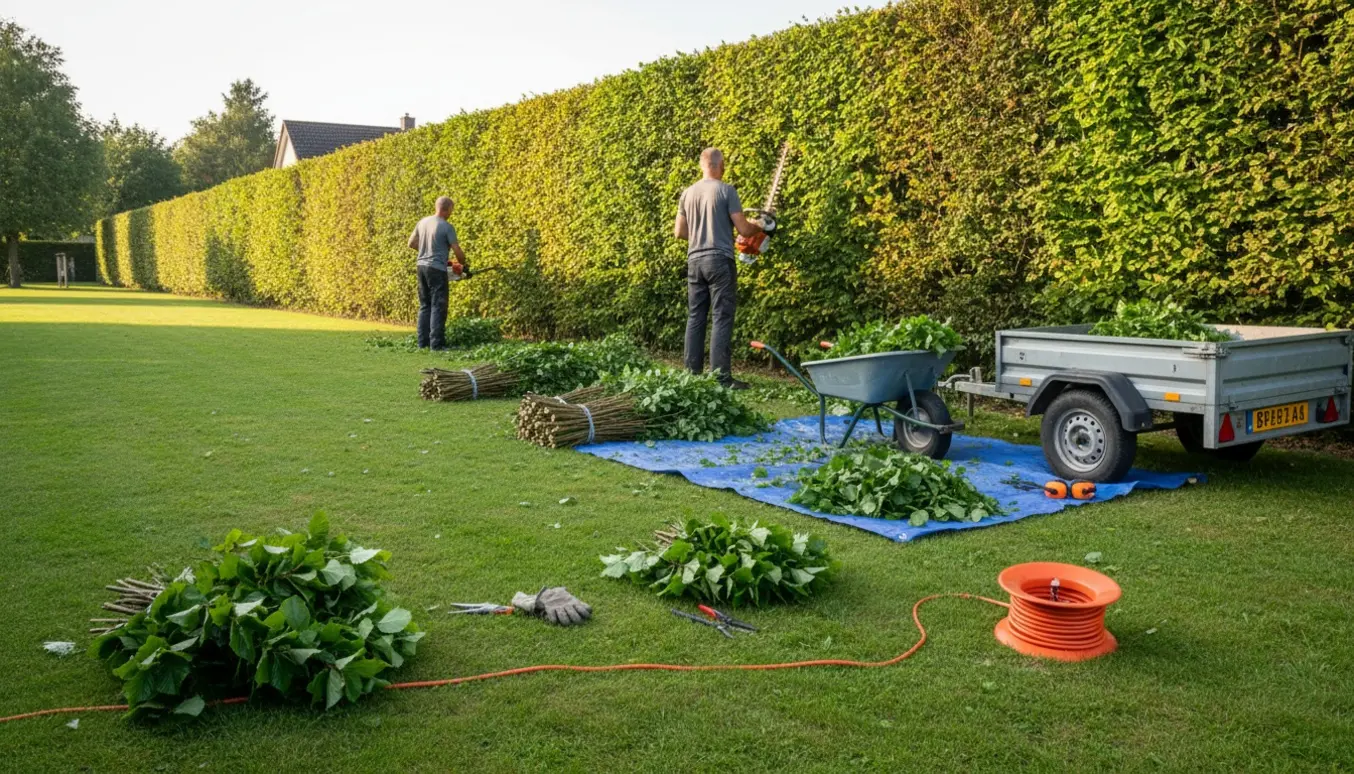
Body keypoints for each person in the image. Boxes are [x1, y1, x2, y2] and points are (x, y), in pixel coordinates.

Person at [674, 147, 763, 389]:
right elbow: (744, 229)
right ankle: (721, 378)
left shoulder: (687, 193)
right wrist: (759, 225)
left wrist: (702, 235)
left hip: (695, 260)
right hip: (720, 260)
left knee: (696, 316)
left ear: (701, 165)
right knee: (721, 316)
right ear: (720, 165)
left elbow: (679, 232)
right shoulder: (726, 190)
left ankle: (691, 376)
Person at [408, 196, 468, 350]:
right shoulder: (447, 227)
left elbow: (411, 243)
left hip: (421, 267)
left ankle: (423, 343)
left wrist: (427, 252)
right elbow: (456, 249)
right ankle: (437, 344)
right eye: (451, 210)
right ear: (447, 209)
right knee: (438, 305)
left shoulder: (422, 222)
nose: (451, 213)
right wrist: (463, 264)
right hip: (436, 269)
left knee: (425, 305)